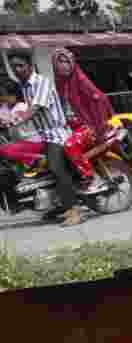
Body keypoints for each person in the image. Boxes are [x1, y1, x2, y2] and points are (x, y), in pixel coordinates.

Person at [7, 51, 78, 227]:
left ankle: (74, 210)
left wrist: (16, 120)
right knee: (28, 164)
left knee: (56, 168)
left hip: (57, 134)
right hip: (42, 136)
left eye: (20, 65)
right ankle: (57, 204)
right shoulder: (25, 87)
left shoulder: (41, 82)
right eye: (13, 66)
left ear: (30, 66)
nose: (17, 69)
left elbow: (36, 108)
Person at [51, 48, 113, 196]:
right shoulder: (60, 82)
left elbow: (100, 99)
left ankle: (91, 178)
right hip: (73, 126)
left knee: (70, 145)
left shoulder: (80, 80)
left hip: (89, 125)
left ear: (72, 63)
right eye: (59, 62)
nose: (63, 65)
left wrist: (99, 128)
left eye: (66, 61)